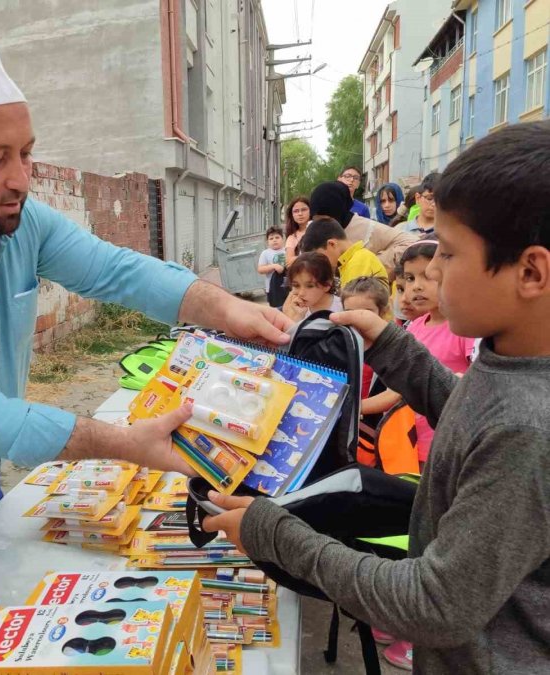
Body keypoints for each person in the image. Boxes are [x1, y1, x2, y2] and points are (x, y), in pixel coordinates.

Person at [0, 46, 292, 580]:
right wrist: (124, 445)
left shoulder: (18, 221)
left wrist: (227, 308)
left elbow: (116, 271)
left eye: (26, 152)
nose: (21, 178)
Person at [201, 121, 550, 674]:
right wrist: (389, 344)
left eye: (450, 256)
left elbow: (435, 604)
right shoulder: (512, 365)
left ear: (530, 271)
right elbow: (468, 411)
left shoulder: (529, 428)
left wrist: (277, 534)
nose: (430, 272)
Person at [398, 240, 476, 465]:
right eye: (410, 278)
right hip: (413, 444)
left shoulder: (464, 327)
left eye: (427, 276)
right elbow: (400, 389)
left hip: (450, 445)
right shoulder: (413, 327)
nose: (417, 286)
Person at [309, 181, 418, 270]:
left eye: (325, 219)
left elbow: (412, 243)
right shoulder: (317, 231)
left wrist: (374, 263)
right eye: (316, 219)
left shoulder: (366, 228)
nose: (320, 225)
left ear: (337, 212)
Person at [340, 276, 397, 412]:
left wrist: (351, 410)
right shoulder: (342, 342)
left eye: (365, 312)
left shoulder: (393, 347)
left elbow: (393, 395)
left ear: (382, 312)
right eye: (350, 313)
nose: (357, 318)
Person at [299, 216, 388, 289]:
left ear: (332, 244)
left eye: (320, 258)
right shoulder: (351, 262)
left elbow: (354, 306)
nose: (320, 265)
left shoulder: (359, 262)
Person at [281, 252, 343, 322]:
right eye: (296, 285)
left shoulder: (342, 308)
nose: (301, 293)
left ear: (327, 284)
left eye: (309, 286)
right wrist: (295, 319)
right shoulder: (292, 308)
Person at [257, 227, 289, 308]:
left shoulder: (287, 250)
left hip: (288, 286)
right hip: (273, 289)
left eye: (277, 237)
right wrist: (273, 266)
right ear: (267, 242)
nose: (274, 240)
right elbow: (260, 269)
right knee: (277, 309)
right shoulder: (265, 253)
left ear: (283, 239)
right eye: (271, 238)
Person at [283, 196, 311, 265]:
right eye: (296, 211)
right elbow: (289, 263)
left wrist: (297, 258)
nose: (300, 214)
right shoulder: (292, 237)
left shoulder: (320, 230)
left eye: (304, 210)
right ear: (292, 215)